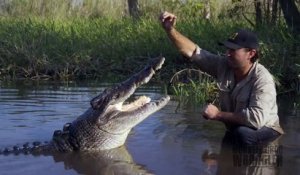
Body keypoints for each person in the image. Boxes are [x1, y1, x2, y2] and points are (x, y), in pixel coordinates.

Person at [159, 11, 284, 145]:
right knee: (232, 138)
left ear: (251, 53)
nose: (227, 54)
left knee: (242, 135)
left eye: (233, 50)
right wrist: (170, 30)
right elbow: (194, 52)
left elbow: (256, 119)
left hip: (266, 131)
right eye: (227, 49)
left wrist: (218, 115)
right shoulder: (223, 65)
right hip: (238, 128)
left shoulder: (262, 79)